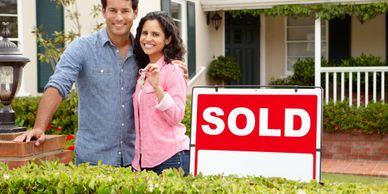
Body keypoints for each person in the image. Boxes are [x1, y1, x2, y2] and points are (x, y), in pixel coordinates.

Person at [14, 0, 187, 167]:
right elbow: (58, 84)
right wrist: (39, 127)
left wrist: (173, 66)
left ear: (135, 13)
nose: (119, 17)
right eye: (113, 10)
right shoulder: (82, 48)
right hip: (92, 160)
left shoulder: (144, 51)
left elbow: (164, 74)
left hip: (134, 160)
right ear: (103, 12)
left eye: (125, 11)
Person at [131, 11, 190, 175]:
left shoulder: (173, 70)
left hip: (170, 157)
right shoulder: (142, 73)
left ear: (168, 39)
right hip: (144, 161)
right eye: (145, 33)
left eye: (155, 34)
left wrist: (157, 88)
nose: (148, 39)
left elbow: (176, 116)